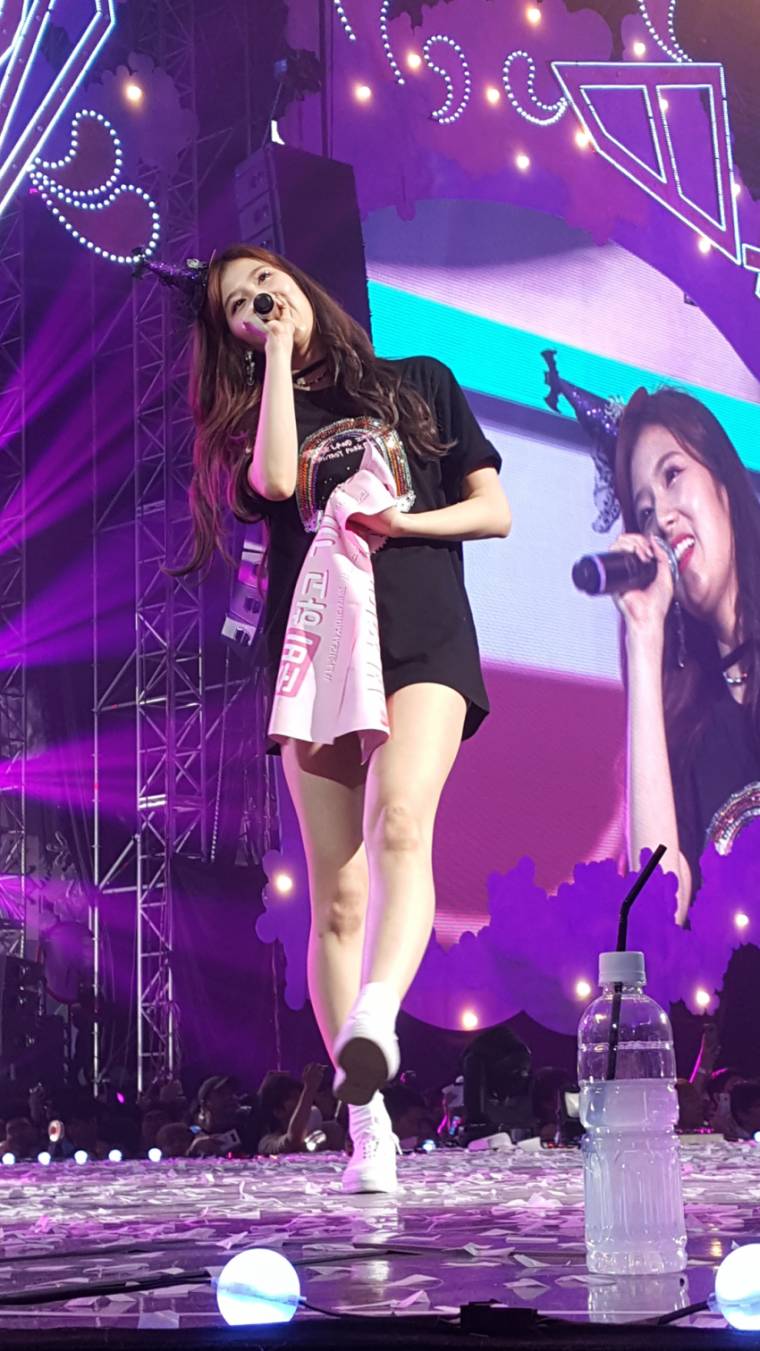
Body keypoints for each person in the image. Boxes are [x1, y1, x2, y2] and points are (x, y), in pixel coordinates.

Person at [186, 245, 511, 1193]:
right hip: (320, 647)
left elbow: (492, 511)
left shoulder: (421, 382)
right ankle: (366, 1120)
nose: (261, 302)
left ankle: (375, 1013)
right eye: (240, 306)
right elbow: (275, 483)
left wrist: (404, 524)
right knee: (337, 896)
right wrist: (275, 361)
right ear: (234, 337)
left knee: (401, 818)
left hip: (421, 631)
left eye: (267, 283)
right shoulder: (255, 421)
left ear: (298, 282)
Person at [611, 387, 760, 923]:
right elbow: (657, 905)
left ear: (723, 482)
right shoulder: (688, 720)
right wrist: (643, 637)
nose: (662, 519)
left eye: (673, 475)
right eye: (644, 511)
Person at [257, 1064, 332, 1154]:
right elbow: (293, 1140)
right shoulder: (267, 1143)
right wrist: (309, 1089)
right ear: (278, 1112)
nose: (302, 1102)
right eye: (294, 1097)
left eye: (301, 1096)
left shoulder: (327, 1130)